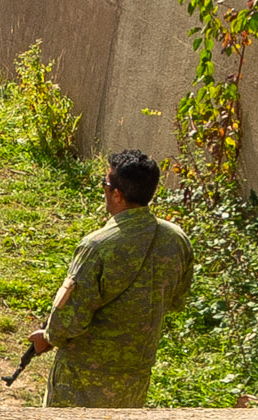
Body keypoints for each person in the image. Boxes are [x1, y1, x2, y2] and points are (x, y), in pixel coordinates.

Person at [29, 150, 192, 406]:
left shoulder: (97, 246)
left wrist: (48, 337)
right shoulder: (177, 239)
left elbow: (70, 318)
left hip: (83, 375)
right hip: (136, 373)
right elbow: (176, 300)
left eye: (105, 184)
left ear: (117, 194)